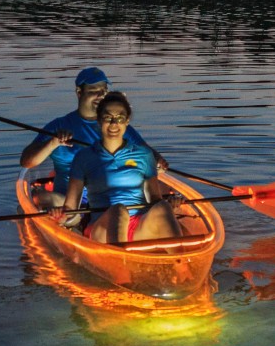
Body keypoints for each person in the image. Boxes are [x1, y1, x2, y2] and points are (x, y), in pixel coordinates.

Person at [19, 66, 166, 207]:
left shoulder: (116, 126)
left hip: (109, 197)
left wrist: (158, 162)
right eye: (94, 91)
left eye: (104, 91)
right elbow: (27, 162)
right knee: (41, 197)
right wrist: (53, 143)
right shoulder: (58, 126)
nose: (101, 95)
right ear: (79, 92)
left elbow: (148, 154)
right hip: (67, 200)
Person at [51, 91, 181, 244]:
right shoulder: (83, 158)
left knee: (163, 207)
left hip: (137, 226)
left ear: (127, 121)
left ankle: (184, 263)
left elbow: (155, 200)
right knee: (118, 210)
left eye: (120, 118)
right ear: (99, 121)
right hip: (101, 228)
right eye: (108, 117)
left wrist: (171, 204)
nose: (114, 123)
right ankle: (119, 260)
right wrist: (61, 216)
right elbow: (71, 209)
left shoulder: (144, 155)